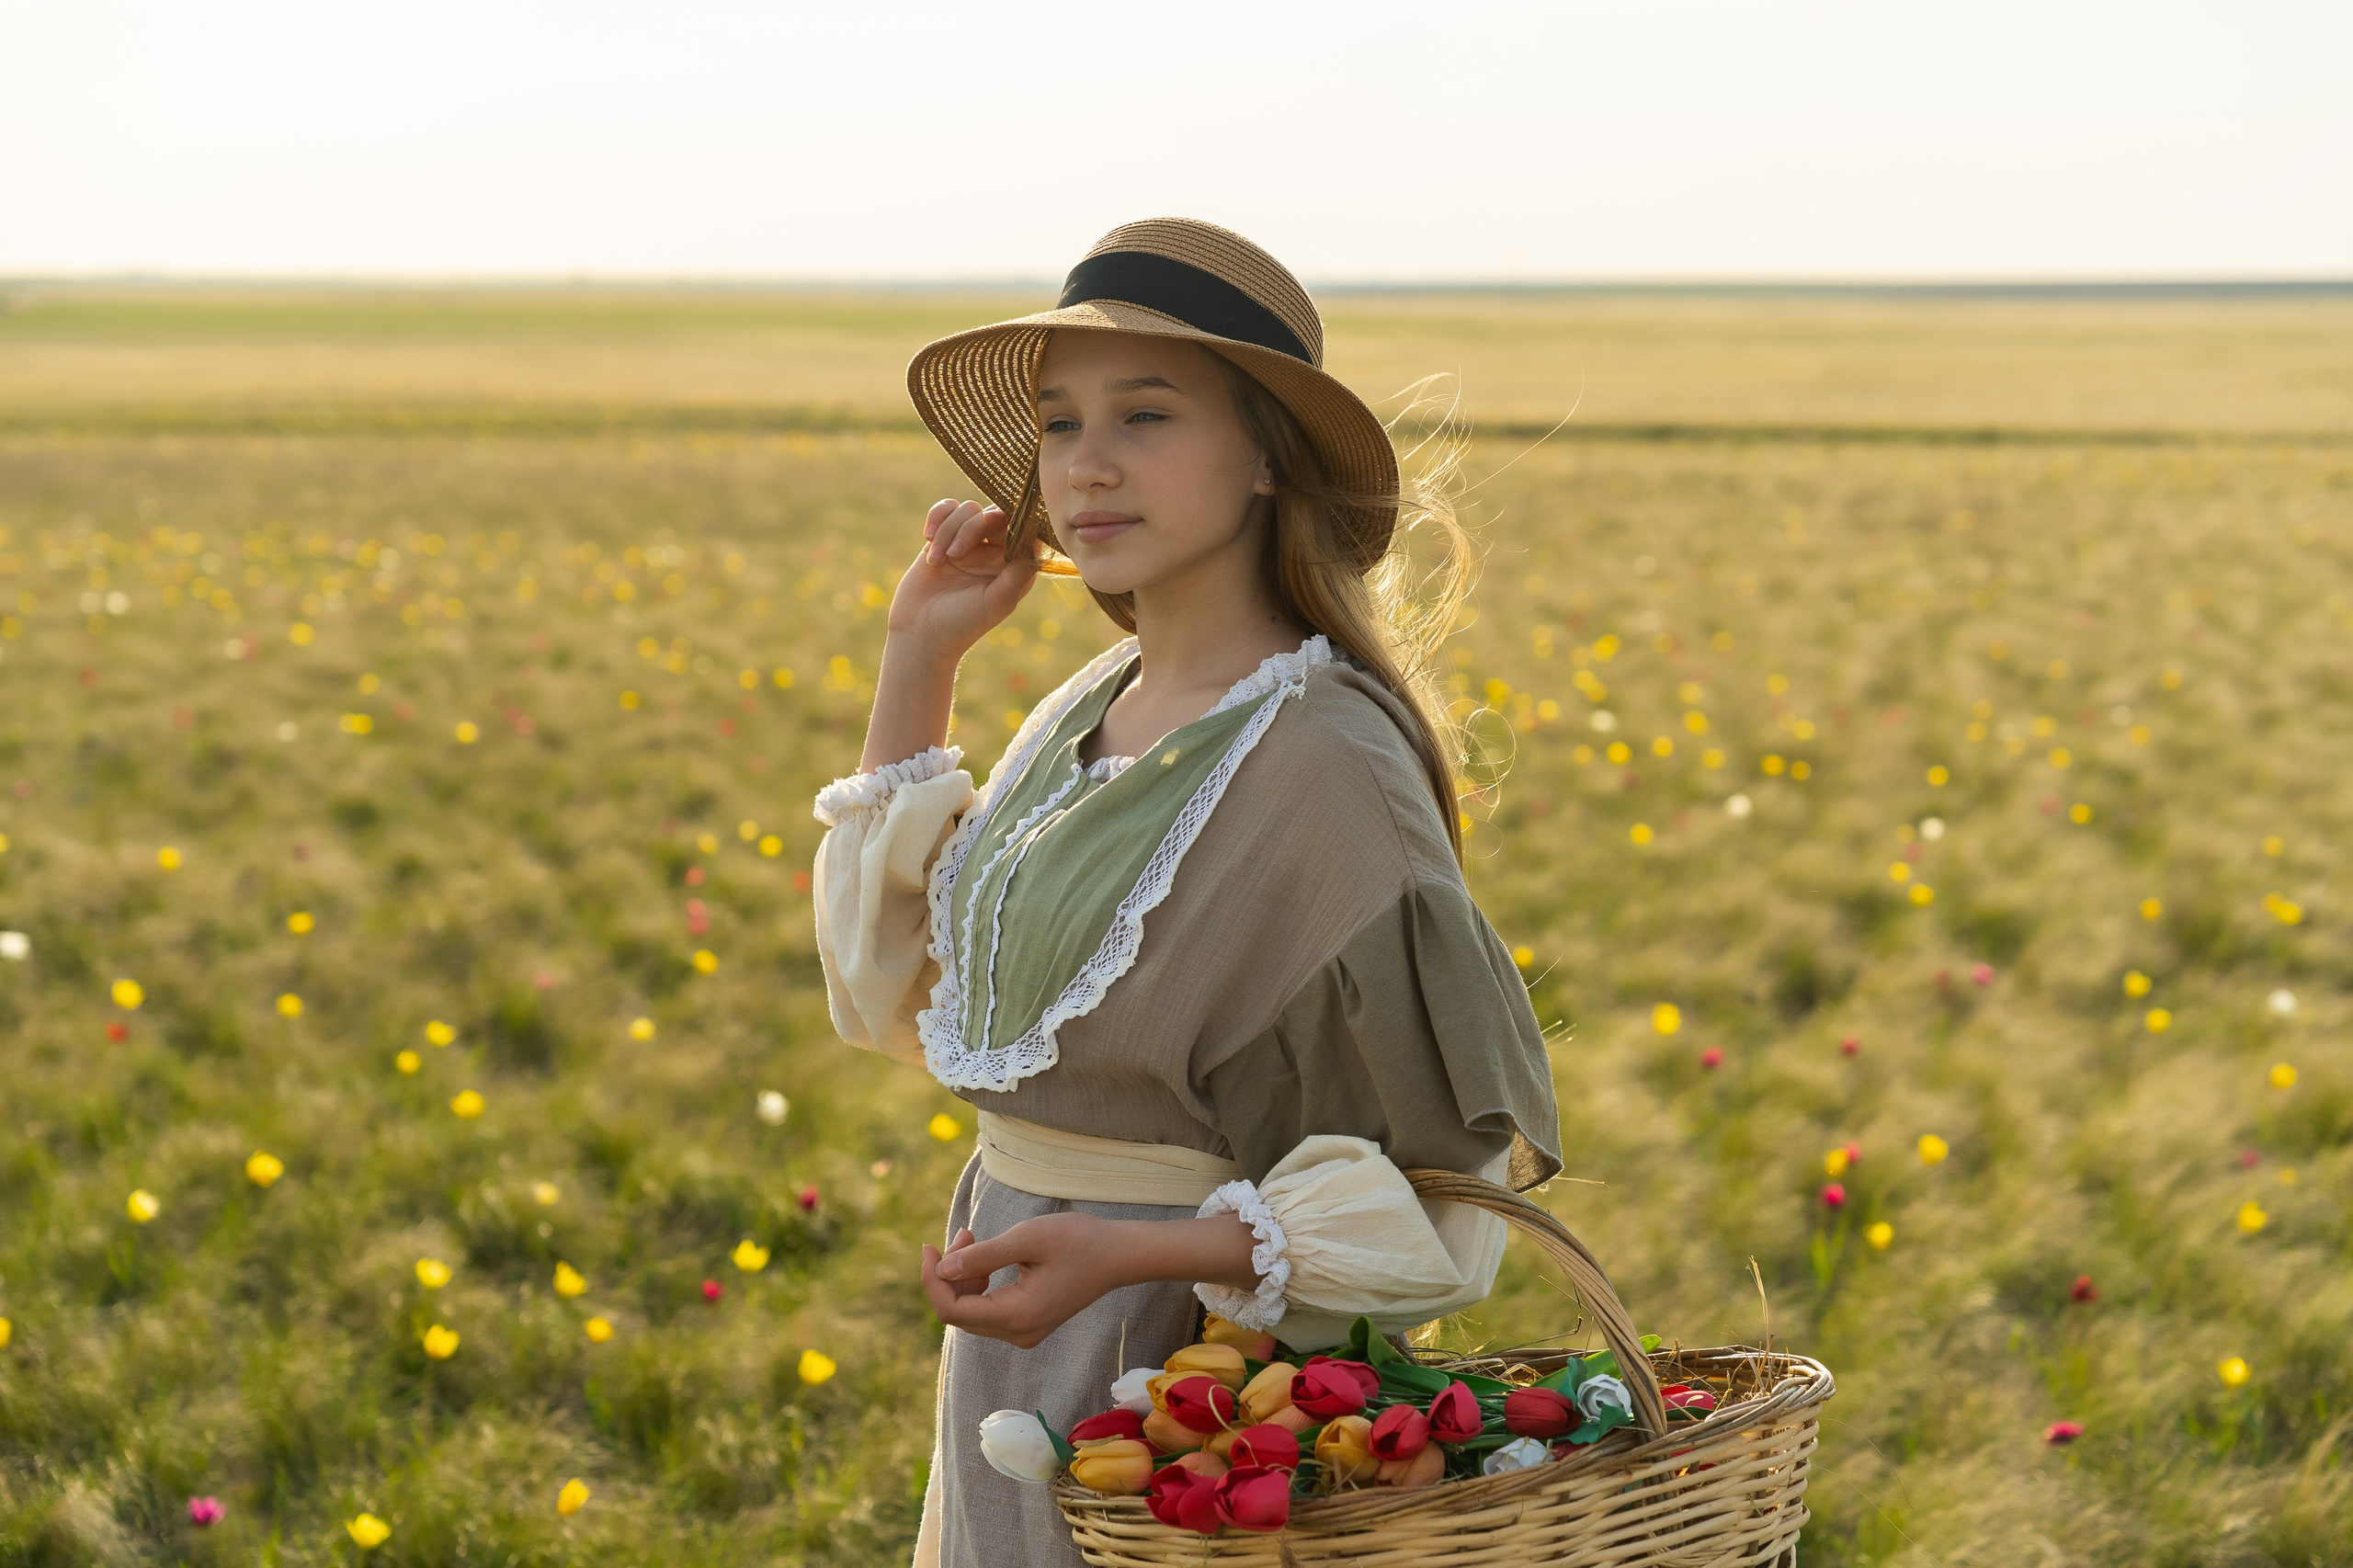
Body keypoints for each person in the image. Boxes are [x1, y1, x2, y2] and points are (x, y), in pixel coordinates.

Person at [811, 218, 1562, 1568]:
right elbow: (888, 996)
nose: (1085, 465)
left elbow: (1450, 1209)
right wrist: (917, 656)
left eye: (1145, 414)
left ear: (1267, 453)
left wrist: (1133, 1252)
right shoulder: (1079, 714)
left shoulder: (1329, 760)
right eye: (1058, 423)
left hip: (1192, 1399)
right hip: (1013, 1354)